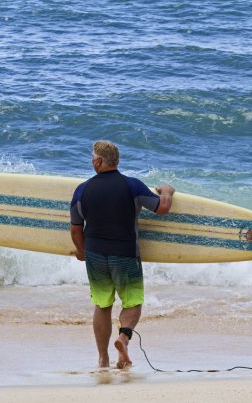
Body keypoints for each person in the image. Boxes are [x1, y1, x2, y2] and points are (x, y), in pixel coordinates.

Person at [70, 140, 175, 369]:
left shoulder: (82, 190)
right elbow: (162, 208)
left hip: (96, 255)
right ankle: (124, 337)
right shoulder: (132, 186)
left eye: (92, 157)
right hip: (125, 254)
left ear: (98, 161)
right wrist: (166, 191)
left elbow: (76, 229)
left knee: (102, 305)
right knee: (133, 302)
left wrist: (81, 251)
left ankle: (102, 358)